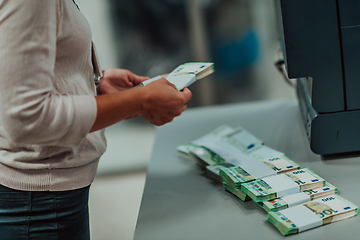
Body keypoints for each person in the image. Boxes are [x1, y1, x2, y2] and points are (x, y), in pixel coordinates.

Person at [0, 0, 192, 239]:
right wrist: (139, 100)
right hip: (40, 206)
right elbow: (25, 118)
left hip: (44, 198)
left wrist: (91, 85)